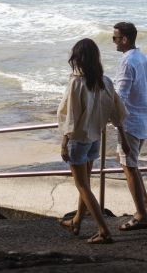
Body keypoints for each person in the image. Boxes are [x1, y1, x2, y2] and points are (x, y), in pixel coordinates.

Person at [57, 38, 129, 244]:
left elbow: (71, 117)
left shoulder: (76, 83)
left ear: (78, 58)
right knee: (86, 184)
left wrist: (63, 143)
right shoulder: (104, 81)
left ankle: (104, 230)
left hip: (78, 141)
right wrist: (122, 137)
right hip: (95, 138)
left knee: (82, 186)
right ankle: (77, 221)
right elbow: (117, 112)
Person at [113, 21, 147, 231]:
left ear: (124, 39)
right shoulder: (142, 57)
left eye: (115, 38)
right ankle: (144, 206)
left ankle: (141, 214)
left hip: (130, 124)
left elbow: (120, 98)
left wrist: (117, 126)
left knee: (128, 167)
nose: (114, 41)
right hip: (142, 121)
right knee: (133, 167)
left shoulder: (127, 63)